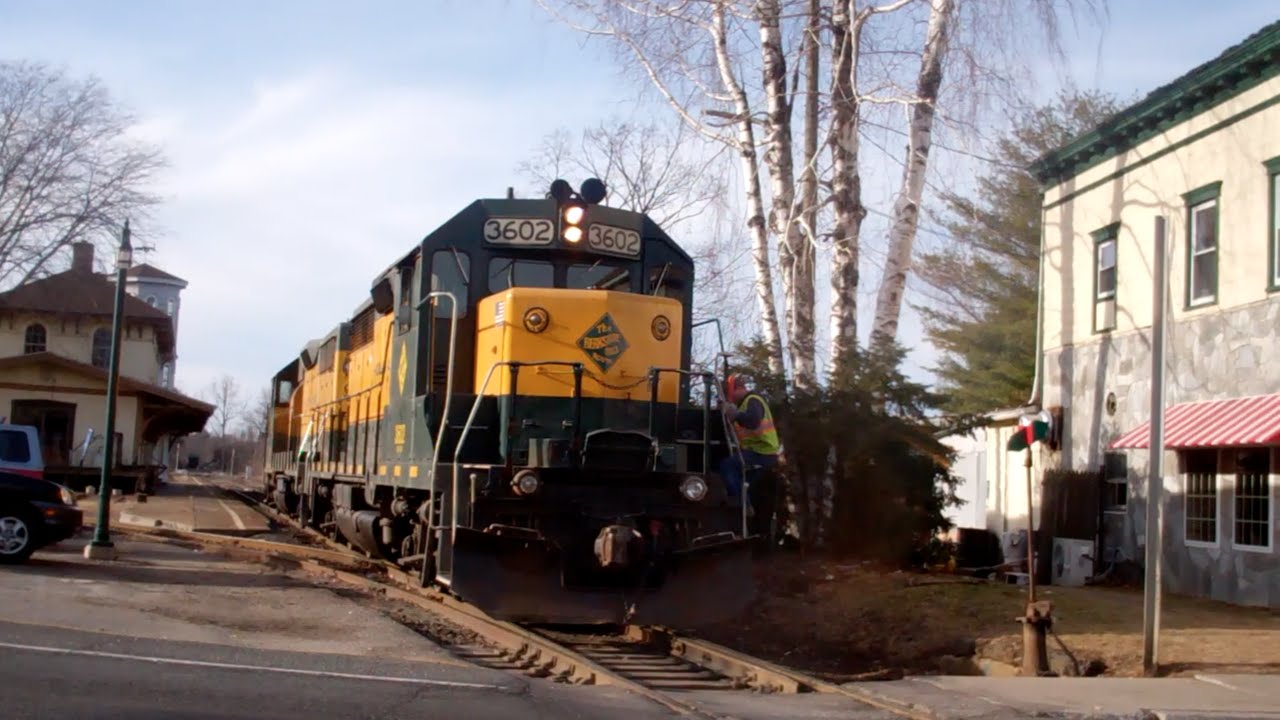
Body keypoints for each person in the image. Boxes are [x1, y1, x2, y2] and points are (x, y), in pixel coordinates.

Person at [718, 373, 780, 501]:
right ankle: (746, 505)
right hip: (759, 452)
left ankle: (739, 503)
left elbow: (753, 421)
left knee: (727, 466)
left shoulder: (753, 400)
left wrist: (735, 415)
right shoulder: (746, 404)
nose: (731, 399)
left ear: (739, 389)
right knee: (745, 482)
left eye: (730, 395)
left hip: (762, 451)